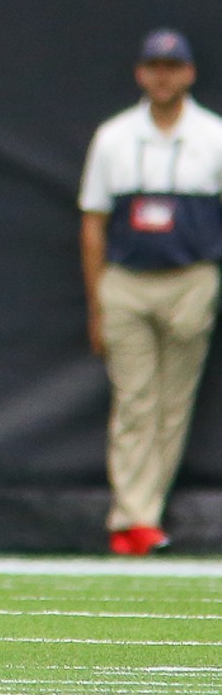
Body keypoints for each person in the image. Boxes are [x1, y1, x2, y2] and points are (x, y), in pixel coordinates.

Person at [79, 29, 222, 558]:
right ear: (141, 73)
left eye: (173, 66)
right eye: (154, 66)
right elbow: (93, 222)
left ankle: (147, 512)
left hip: (191, 278)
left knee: (174, 404)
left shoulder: (212, 134)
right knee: (135, 401)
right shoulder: (116, 135)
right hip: (128, 281)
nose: (163, 75)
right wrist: (96, 304)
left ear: (189, 72)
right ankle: (132, 517)